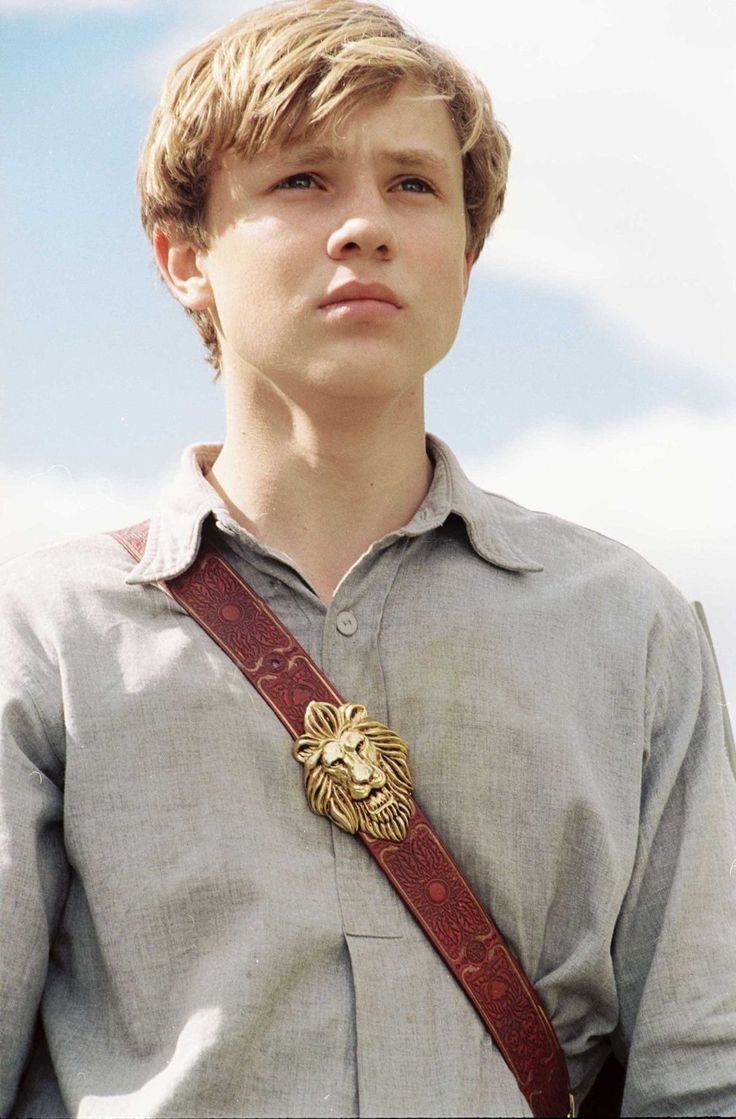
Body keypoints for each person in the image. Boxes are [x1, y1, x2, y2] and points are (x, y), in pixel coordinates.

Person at [2, 1, 735, 1115]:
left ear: (467, 255)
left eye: (412, 185)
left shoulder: (628, 626)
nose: (365, 226)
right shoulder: (45, 637)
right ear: (183, 257)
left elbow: (702, 1069)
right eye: (301, 182)